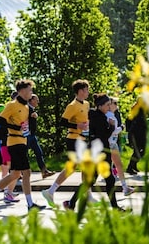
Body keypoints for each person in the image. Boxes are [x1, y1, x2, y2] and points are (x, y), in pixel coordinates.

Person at [0, 79, 45, 210]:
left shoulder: (26, 107)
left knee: (14, 174)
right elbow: (1, 121)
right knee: (27, 172)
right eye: (30, 90)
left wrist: (33, 119)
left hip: (22, 141)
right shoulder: (11, 105)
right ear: (22, 91)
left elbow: (29, 129)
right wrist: (15, 127)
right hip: (14, 142)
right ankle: (30, 204)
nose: (31, 93)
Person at [65, 94, 122, 211]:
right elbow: (104, 135)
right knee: (108, 181)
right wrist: (111, 126)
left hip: (98, 152)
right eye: (107, 105)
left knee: (91, 181)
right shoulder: (99, 118)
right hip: (99, 153)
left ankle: (71, 203)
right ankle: (115, 208)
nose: (109, 107)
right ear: (100, 106)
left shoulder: (99, 116)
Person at [42, 79, 91, 207]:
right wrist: (77, 125)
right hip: (73, 139)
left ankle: (87, 195)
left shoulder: (86, 104)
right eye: (86, 90)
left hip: (82, 139)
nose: (88, 92)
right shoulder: (72, 105)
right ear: (80, 91)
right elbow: (63, 122)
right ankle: (51, 191)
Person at [105, 96, 134, 196]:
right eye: (115, 103)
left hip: (113, 144)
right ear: (110, 105)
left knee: (119, 165)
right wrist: (121, 128)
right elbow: (111, 131)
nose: (117, 105)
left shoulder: (113, 115)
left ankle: (125, 188)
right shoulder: (108, 116)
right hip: (108, 145)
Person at [27, 94, 54, 179]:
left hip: (32, 135)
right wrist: (32, 115)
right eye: (36, 100)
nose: (38, 101)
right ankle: (18, 172)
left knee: (39, 152)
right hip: (26, 135)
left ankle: (44, 171)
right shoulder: (27, 109)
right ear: (31, 100)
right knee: (23, 154)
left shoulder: (32, 110)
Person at [124, 98, 146, 175]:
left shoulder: (138, 109)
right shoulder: (138, 110)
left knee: (139, 150)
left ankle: (133, 165)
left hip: (138, 133)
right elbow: (138, 121)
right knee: (139, 150)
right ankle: (130, 167)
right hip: (137, 134)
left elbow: (128, 121)